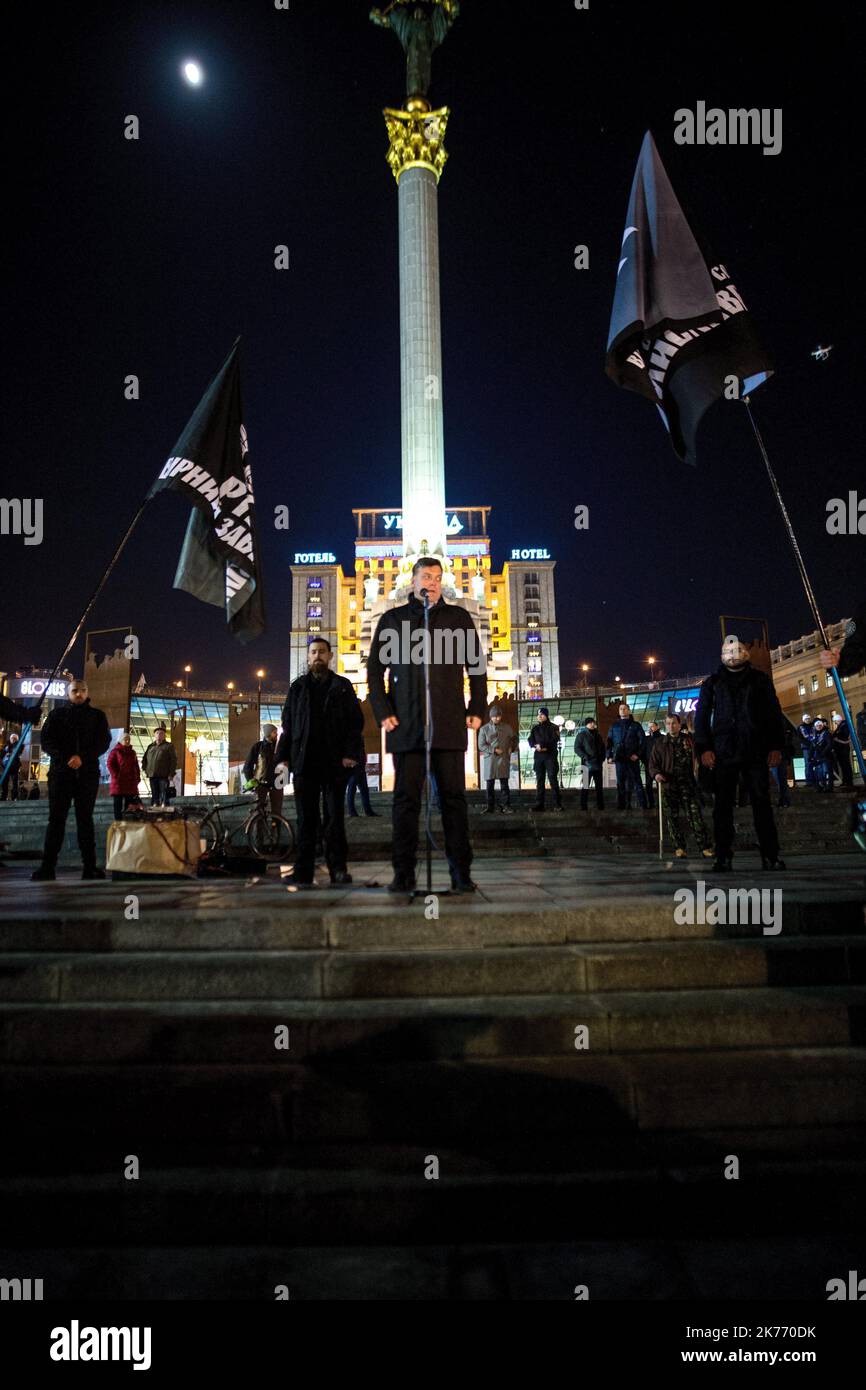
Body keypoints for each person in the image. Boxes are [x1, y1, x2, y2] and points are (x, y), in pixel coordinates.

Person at [367, 556, 487, 893]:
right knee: (405, 802)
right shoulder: (393, 620)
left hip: (448, 725)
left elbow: (476, 668)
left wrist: (477, 706)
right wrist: (382, 710)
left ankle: (461, 873)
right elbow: (375, 671)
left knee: (453, 801)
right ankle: (403, 873)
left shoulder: (458, 618)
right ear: (413, 581)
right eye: (425, 576)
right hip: (406, 726)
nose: (431, 582)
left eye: (436, 577)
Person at [694, 634, 786, 872]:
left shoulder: (760, 680)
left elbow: (773, 714)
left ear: (745, 654)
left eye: (737, 652)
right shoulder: (712, 684)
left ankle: (770, 854)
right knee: (722, 807)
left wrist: (776, 745)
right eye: (728, 652)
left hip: (755, 748)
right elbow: (701, 718)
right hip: (723, 752)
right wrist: (704, 748)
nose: (732, 656)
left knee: (761, 803)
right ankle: (723, 855)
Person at [276, 637, 363, 886]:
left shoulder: (343, 686)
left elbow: (355, 724)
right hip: (305, 763)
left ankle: (338, 869)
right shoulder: (298, 688)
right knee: (306, 819)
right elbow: (288, 726)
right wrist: (283, 758)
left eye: (322, 652)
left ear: (330, 656)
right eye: (313, 652)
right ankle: (303, 871)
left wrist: (350, 754)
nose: (317, 656)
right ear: (308, 657)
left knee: (334, 819)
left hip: (334, 764)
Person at [31, 678, 111, 881]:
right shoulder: (56, 715)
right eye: (75, 690)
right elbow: (47, 740)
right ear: (69, 693)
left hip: (87, 774)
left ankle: (90, 867)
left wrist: (82, 757)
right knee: (56, 820)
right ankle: (48, 868)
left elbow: (103, 741)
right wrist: (66, 758)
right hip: (61, 774)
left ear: (87, 692)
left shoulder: (97, 716)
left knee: (86, 820)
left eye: (82, 690)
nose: (79, 694)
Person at [650, 713, 713, 859]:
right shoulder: (660, 743)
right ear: (665, 725)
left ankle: (704, 846)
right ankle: (679, 847)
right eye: (668, 723)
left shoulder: (689, 741)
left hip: (688, 784)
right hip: (669, 785)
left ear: (679, 724)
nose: (671, 726)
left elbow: (698, 757)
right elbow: (653, 764)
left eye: (673, 723)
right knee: (672, 817)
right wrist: (656, 774)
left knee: (695, 815)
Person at [606, 703, 647, 810]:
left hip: (632, 758)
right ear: (619, 711)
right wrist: (609, 756)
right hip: (619, 759)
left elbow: (642, 741)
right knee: (620, 783)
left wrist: (637, 754)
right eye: (620, 709)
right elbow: (609, 742)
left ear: (629, 711)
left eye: (624, 709)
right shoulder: (614, 726)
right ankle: (622, 804)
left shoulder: (636, 725)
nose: (622, 710)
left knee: (637, 781)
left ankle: (643, 804)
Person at [477, 705, 517, 813]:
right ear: (491, 717)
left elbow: (514, 739)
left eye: (498, 716)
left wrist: (511, 747)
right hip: (490, 760)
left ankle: (506, 806)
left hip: (503, 759)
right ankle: (490, 807)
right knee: (490, 785)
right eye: (494, 716)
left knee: (504, 784)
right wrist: (493, 750)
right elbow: (481, 745)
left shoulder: (507, 727)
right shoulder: (484, 729)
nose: (497, 718)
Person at [243, 722, 284, 817]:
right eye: (274, 732)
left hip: (277, 784)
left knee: (277, 813)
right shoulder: (258, 747)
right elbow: (248, 765)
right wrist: (251, 780)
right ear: (268, 733)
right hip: (260, 784)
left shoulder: (279, 747)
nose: (276, 734)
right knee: (258, 813)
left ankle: (276, 831)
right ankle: (259, 831)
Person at [528, 707, 563, 812]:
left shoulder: (554, 727)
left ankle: (557, 804)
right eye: (538, 714)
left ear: (546, 715)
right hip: (539, 758)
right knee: (540, 780)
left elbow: (554, 739)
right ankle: (540, 804)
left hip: (550, 757)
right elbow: (530, 739)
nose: (540, 716)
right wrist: (535, 745)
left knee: (553, 779)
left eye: (542, 714)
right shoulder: (535, 728)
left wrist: (543, 745)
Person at [106, 732, 142, 820]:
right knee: (117, 805)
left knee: (129, 805)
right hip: (119, 782)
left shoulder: (132, 752)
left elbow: (136, 766)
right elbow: (110, 763)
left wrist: (137, 777)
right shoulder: (115, 751)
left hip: (130, 782)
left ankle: (127, 822)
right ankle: (118, 823)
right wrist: (116, 775)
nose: (127, 741)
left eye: (128, 739)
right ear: (121, 740)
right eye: (125, 739)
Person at [574, 715, 605, 811]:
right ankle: (583, 806)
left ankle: (600, 805)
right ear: (586, 724)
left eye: (593, 722)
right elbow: (577, 748)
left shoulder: (598, 735)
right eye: (591, 722)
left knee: (599, 786)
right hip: (587, 763)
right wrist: (585, 756)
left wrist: (602, 758)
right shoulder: (581, 735)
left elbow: (603, 747)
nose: (593, 724)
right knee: (585, 786)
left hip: (598, 763)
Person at [142, 725, 178, 806]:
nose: (159, 735)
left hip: (164, 776)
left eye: (161, 733)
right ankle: (154, 808)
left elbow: (174, 760)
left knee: (164, 794)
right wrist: (145, 769)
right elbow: (144, 759)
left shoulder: (169, 746)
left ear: (164, 735)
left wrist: (171, 773)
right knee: (154, 794)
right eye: (157, 733)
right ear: (154, 735)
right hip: (152, 775)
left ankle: (164, 809)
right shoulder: (150, 746)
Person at [346, 749, 379, 818]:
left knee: (364, 790)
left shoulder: (359, 739)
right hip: (353, 766)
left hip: (360, 765)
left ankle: (368, 811)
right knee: (352, 789)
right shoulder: (350, 739)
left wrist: (363, 762)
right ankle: (352, 812)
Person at [830, 712, 854, 788]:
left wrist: (837, 739)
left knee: (845, 764)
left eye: (835, 721)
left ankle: (848, 781)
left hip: (843, 748)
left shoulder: (844, 726)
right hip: (840, 748)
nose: (835, 723)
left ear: (838, 720)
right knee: (843, 765)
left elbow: (843, 736)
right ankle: (846, 780)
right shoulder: (841, 726)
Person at [811, 718, 834, 792]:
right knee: (820, 773)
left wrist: (823, 753)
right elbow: (812, 746)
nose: (819, 727)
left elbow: (829, 744)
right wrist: (810, 756)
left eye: (820, 725)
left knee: (827, 772)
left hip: (826, 756)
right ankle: (822, 787)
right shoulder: (815, 734)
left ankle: (829, 787)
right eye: (817, 726)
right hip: (819, 757)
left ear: (822, 725)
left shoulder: (826, 733)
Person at [644, 721, 663, 806]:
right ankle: (651, 802)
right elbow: (643, 751)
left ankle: (661, 802)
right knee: (648, 784)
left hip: (661, 765)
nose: (650, 728)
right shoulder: (646, 739)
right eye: (649, 727)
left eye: (652, 726)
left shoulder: (662, 738)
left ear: (657, 727)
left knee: (661, 784)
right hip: (649, 765)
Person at [0, 733, 23, 801]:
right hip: (6, 766)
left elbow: (18, 751)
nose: (13, 739)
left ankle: (14, 797)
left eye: (14, 738)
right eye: (12, 738)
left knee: (14, 782)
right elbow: (2, 753)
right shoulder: (6, 746)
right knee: (5, 781)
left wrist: (10, 753)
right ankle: (4, 796)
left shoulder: (19, 745)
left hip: (14, 766)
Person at [797, 713, 817, 786]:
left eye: (808, 718)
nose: (807, 720)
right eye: (806, 719)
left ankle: (816, 780)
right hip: (806, 748)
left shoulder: (813, 726)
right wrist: (809, 744)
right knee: (808, 764)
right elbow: (800, 738)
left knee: (816, 763)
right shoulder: (800, 727)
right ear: (803, 720)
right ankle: (809, 781)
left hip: (814, 747)